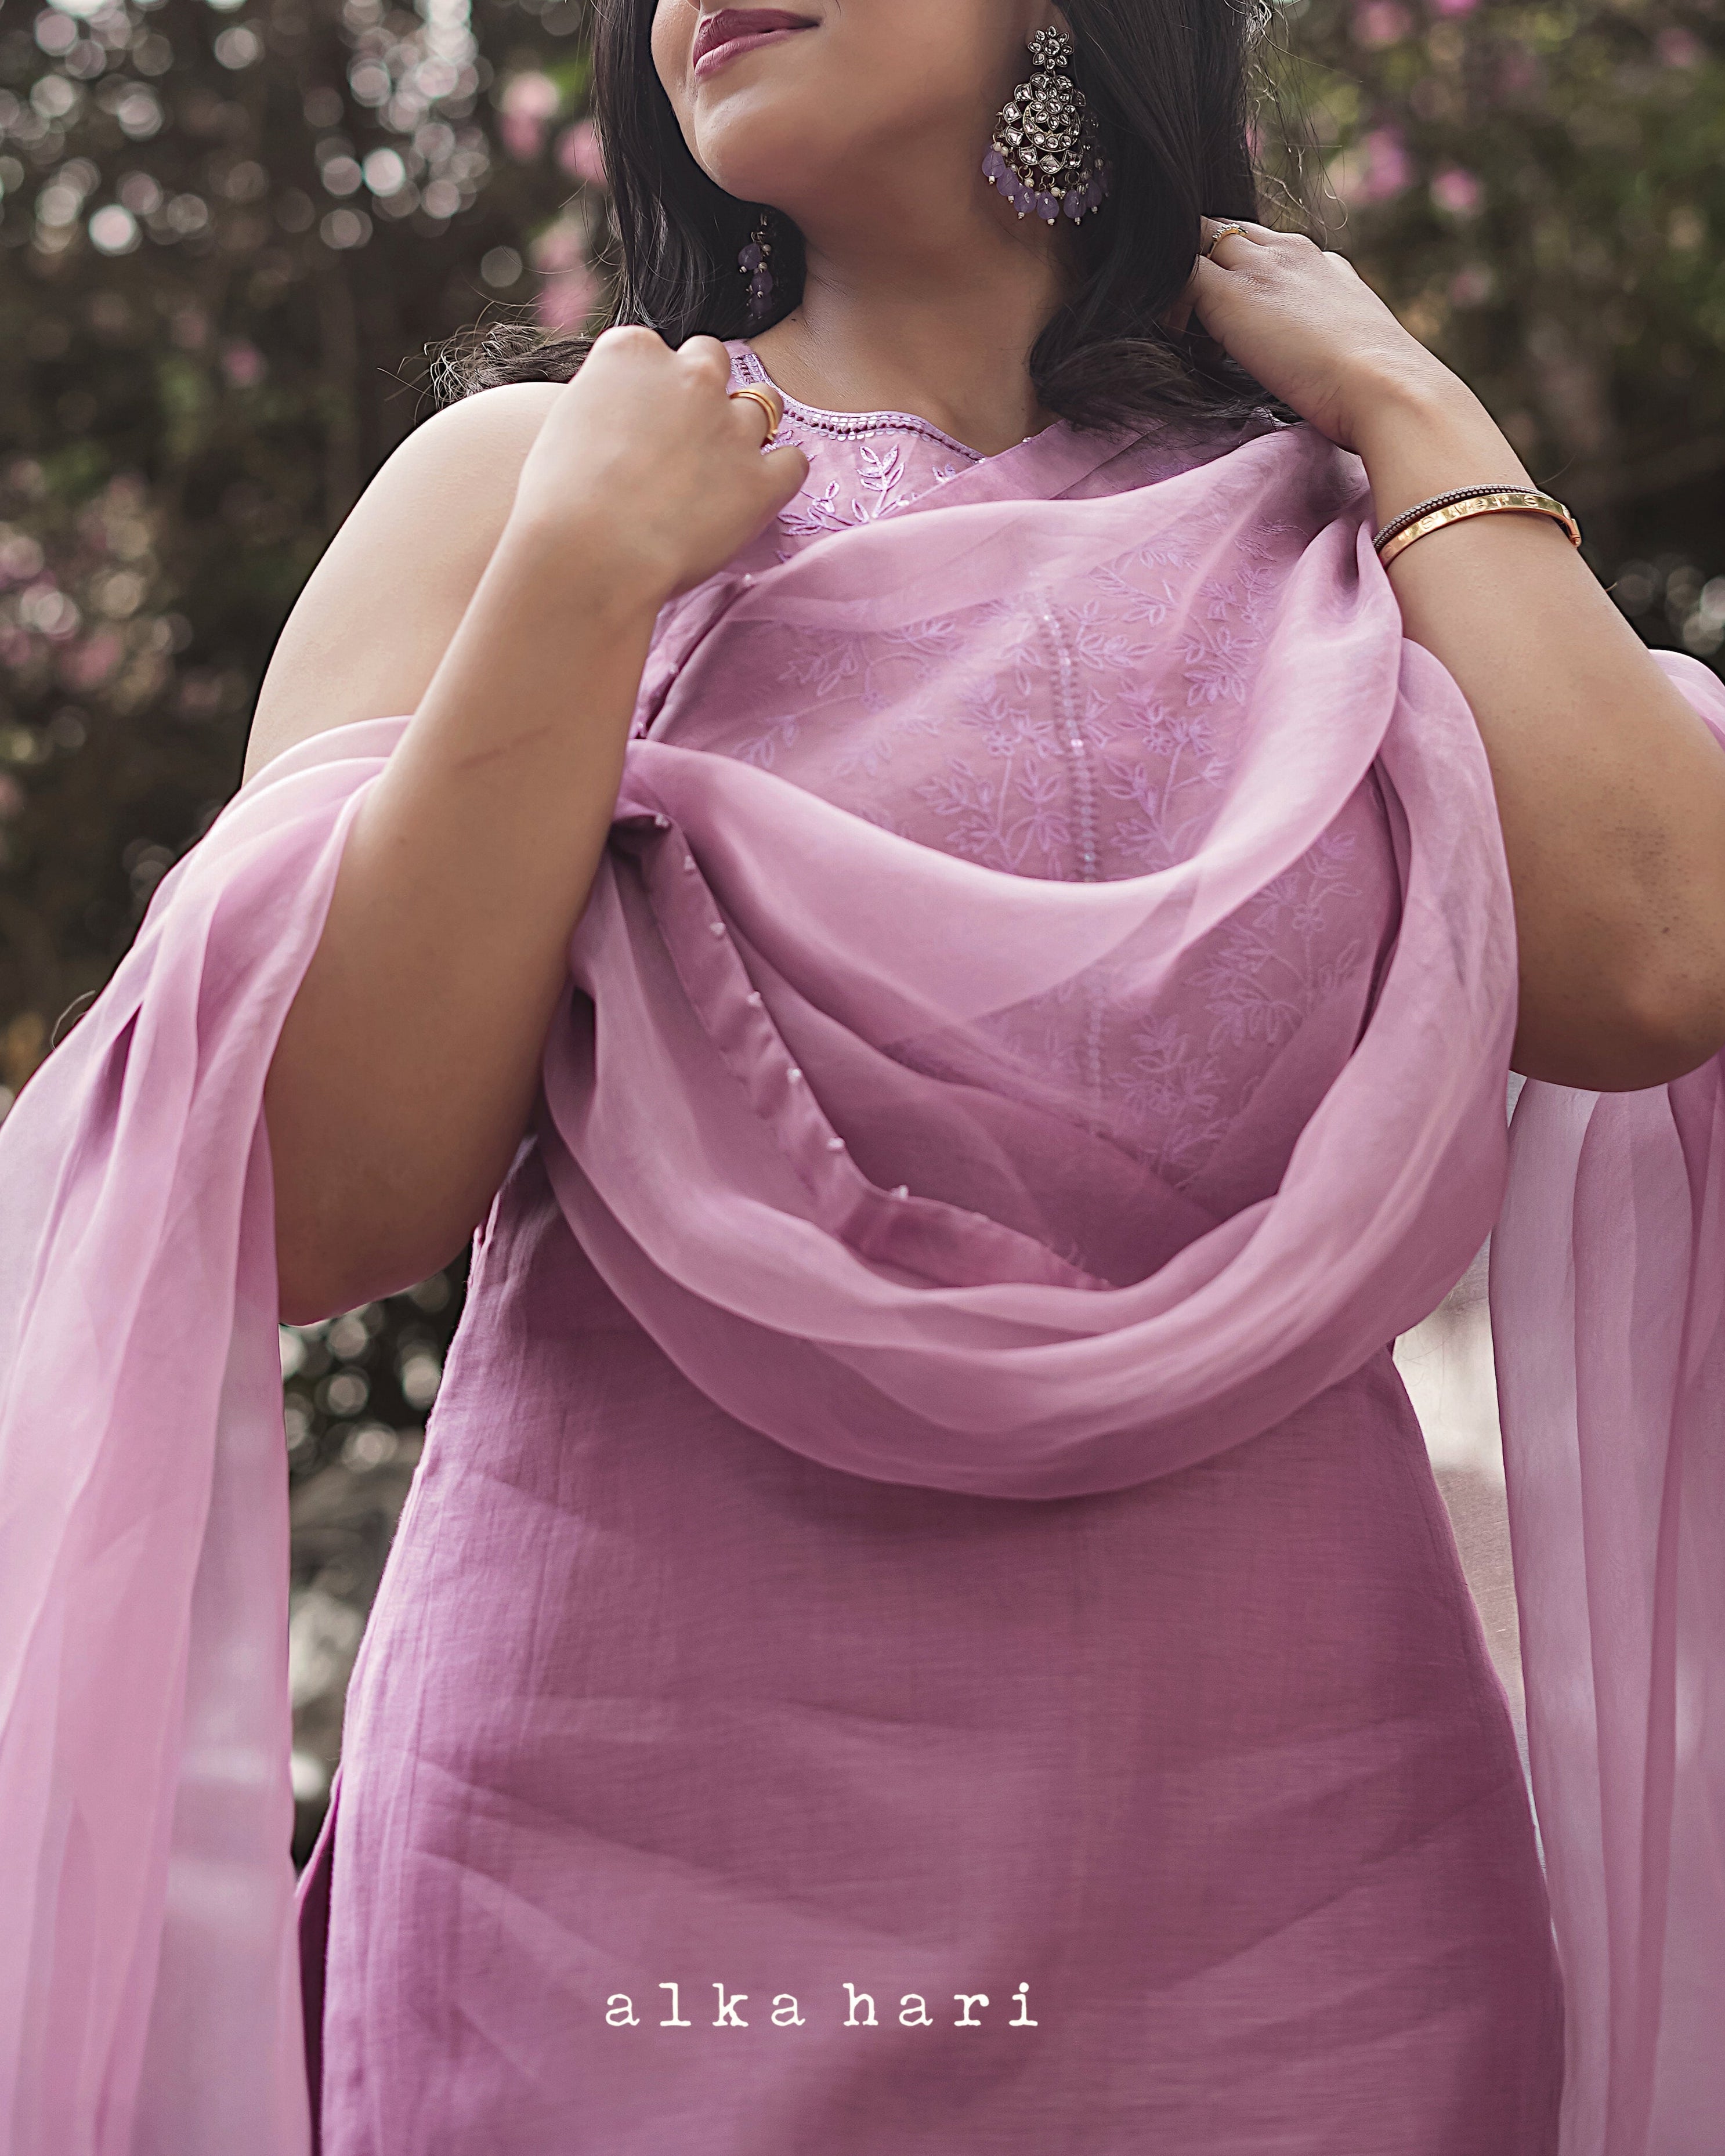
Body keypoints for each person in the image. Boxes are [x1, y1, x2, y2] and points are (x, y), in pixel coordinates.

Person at [5, 2, 1725, 2152]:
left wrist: (1400, 397)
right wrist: (578, 576)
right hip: (624, 1872)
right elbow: (325, 1195)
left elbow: (1659, 958)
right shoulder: (520, 498)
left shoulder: (1338, 522)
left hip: (1309, 1873)